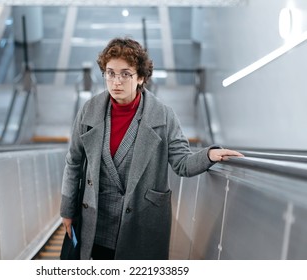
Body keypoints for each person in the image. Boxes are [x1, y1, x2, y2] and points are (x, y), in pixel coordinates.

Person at [60, 37, 243, 260]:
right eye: (110, 73)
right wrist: (67, 210)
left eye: (125, 74)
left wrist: (209, 155)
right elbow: (74, 162)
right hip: (97, 220)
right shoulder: (90, 110)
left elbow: (181, 163)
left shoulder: (163, 116)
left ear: (141, 77)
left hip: (140, 220)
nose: (116, 81)